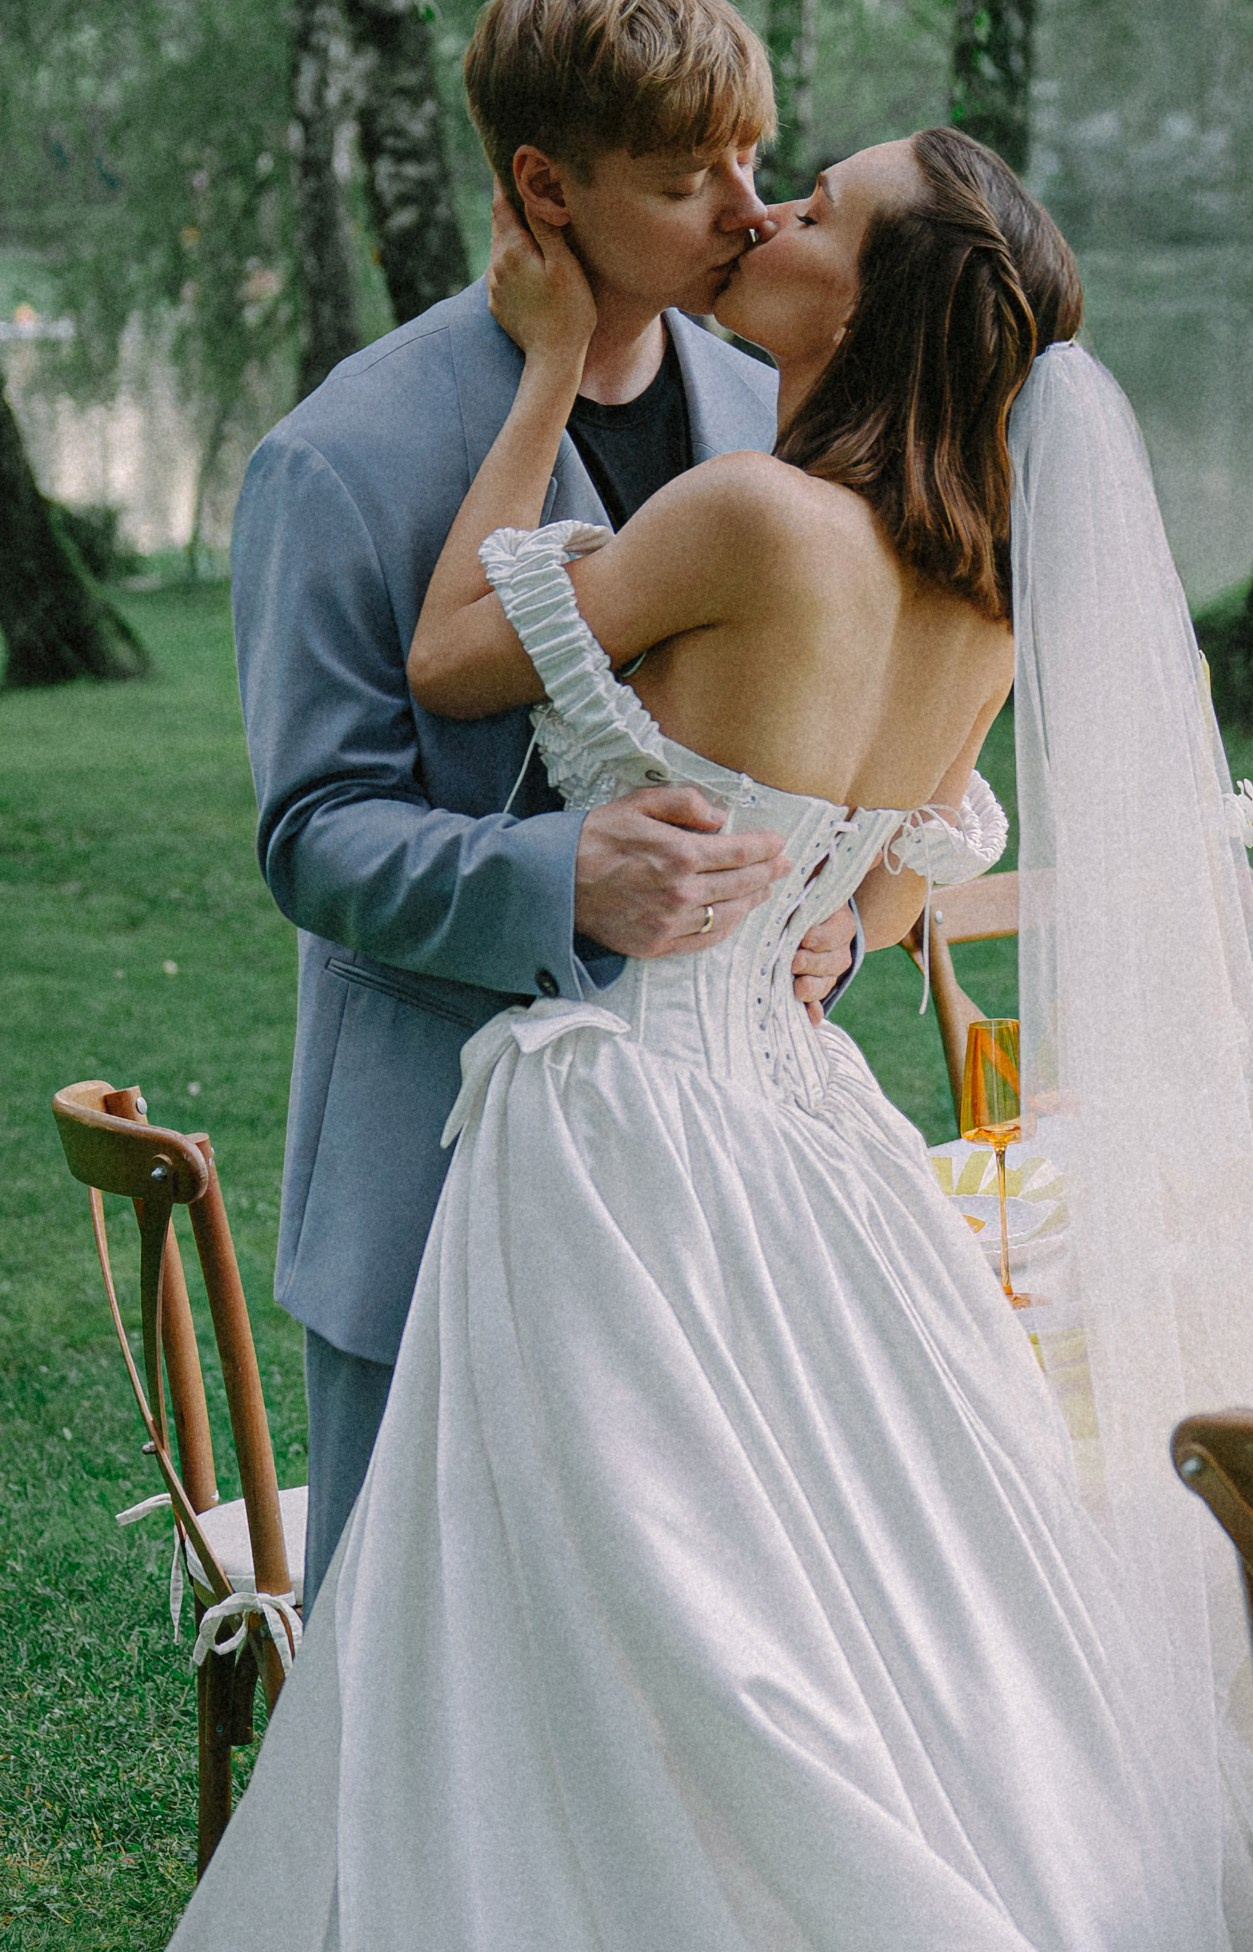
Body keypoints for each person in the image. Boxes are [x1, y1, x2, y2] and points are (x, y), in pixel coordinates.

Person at [0, 119, 1253, 1952]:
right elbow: (886, 874)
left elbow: (452, 655)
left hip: (633, 1146)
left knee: (602, 1654)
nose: (764, 217)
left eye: (814, 213)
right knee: (852, 1642)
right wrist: (816, 909)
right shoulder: (976, 600)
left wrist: (542, 378)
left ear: (867, 311)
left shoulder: (753, 515)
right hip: (807, 1142)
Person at [235, 0, 868, 1599]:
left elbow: (821, 751)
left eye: (752, 159)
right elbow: (315, 833)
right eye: (685, 178)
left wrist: (829, 916)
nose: (747, 211)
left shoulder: (770, 421)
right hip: (433, 1195)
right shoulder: (341, 458)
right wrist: (556, 875)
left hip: (717, 1197)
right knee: (423, 1663)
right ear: (544, 186)